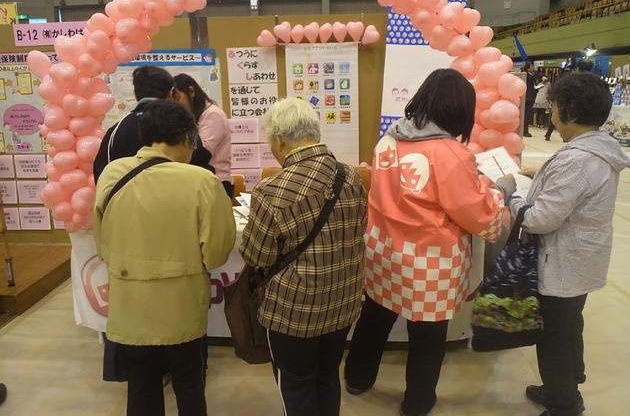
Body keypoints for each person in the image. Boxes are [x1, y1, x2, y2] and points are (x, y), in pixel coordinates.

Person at [344, 69, 515, 416]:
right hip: (429, 261)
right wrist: (501, 190)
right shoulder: (451, 153)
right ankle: (418, 402)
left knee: (374, 318)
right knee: (427, 337)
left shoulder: (388, 139)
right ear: (458, 111)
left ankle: (357, 378)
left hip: (383, 250)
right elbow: (476, 213)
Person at [93, 100, 236, 416]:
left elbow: (102, 242)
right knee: (188, 384)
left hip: (130, 305)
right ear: (187, 138)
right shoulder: (201, 181)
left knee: (141, 385)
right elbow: (216, 252)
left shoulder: (112, 174)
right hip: (181, 308)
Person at [508, 73, 630, 416]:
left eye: (555, 107)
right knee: (570, 326)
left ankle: (563, 403)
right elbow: (576, 188)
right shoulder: (597, 149)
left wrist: (510, 198)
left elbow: (539, 219)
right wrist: (543, 174)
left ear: (570, 112)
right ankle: (566, 384)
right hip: (582, 260)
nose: (551, 114)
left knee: (553, 338)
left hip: (561, 263)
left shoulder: (576, 160)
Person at [239, 97, 368, 416]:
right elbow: (358, 229)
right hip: (343, 304)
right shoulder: (351, 177)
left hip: (293, 314)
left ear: (280, 141)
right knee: (327, 375)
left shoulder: (271, 192)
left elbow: (257, 256)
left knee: (295, 384)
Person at [93, 66, 214, 182]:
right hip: (177, 201)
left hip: (127, 202)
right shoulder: (182, 124)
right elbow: (202, 168)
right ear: (172, 92)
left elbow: (102, 176)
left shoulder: (116, 131)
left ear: (136, 94)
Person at [174, 73, 232, 197]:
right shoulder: (195, 115)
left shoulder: (213, 114)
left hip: (217, 183)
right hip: (199, 181)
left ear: (191, 91)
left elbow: (201, 153)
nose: (176, 105)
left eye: (178, 98)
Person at [545, 60, 594, 141]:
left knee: (560, 117)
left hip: (568, 105)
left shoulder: (571, 79)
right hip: (585, 109)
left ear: (577, 68)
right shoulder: (594, 82)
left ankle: (549, 134)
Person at [523, 61, 540, 137]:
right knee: (526, 115)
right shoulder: (526, 75)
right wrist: (536, 71)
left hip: (530, 96)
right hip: (528, 98)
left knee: (527, 115)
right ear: (528, 67)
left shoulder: (530, 75)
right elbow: (533, 78)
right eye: (532, 66)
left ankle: (525, 131)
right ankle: (525, 131)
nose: (533, 67)